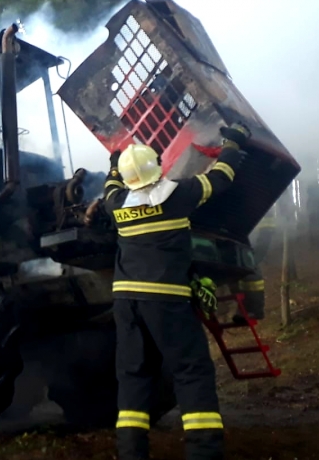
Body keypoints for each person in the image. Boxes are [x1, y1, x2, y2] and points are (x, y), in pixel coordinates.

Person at [102, 122, 251, 460]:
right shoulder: (179, 195)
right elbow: (221, 178)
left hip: (126, 303)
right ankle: (204, 453)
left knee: (133, 377)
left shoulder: (117, 204)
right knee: (191, 372)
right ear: (157, 168)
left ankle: (132, 454)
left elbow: (110, 186)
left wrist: (114, 164)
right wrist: (234, 142)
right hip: (166, 300)